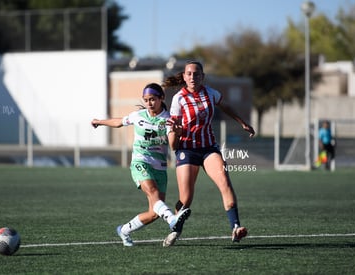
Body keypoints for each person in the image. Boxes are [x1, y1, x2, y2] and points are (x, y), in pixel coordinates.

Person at [162, 60, 255, 247]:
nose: (193, 77)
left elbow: (226, 106)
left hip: (208, 148)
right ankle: (175, 229)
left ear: (202, 76)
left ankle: (236, 227)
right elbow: (173, 141)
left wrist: (242, 122)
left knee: (224, 181)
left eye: (196, 74)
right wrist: (177, 134)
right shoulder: (178, 99)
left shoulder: (211, 94)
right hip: (186, 149)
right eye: (189, 74)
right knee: (186, 199)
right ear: (184, 76)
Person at [91, 83, 190, 247]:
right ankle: (172, 221)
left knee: (154, 213)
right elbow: (119, 122)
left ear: (161, 99)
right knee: (153, 192)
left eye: (152, 99)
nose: (149, 103)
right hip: (140, 161)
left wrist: (177, 133)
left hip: (160, 167)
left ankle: (124, 230)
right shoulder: (138, 115)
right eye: (146, 100)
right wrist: (100, 122)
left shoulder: (168, 120)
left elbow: (173, 146)